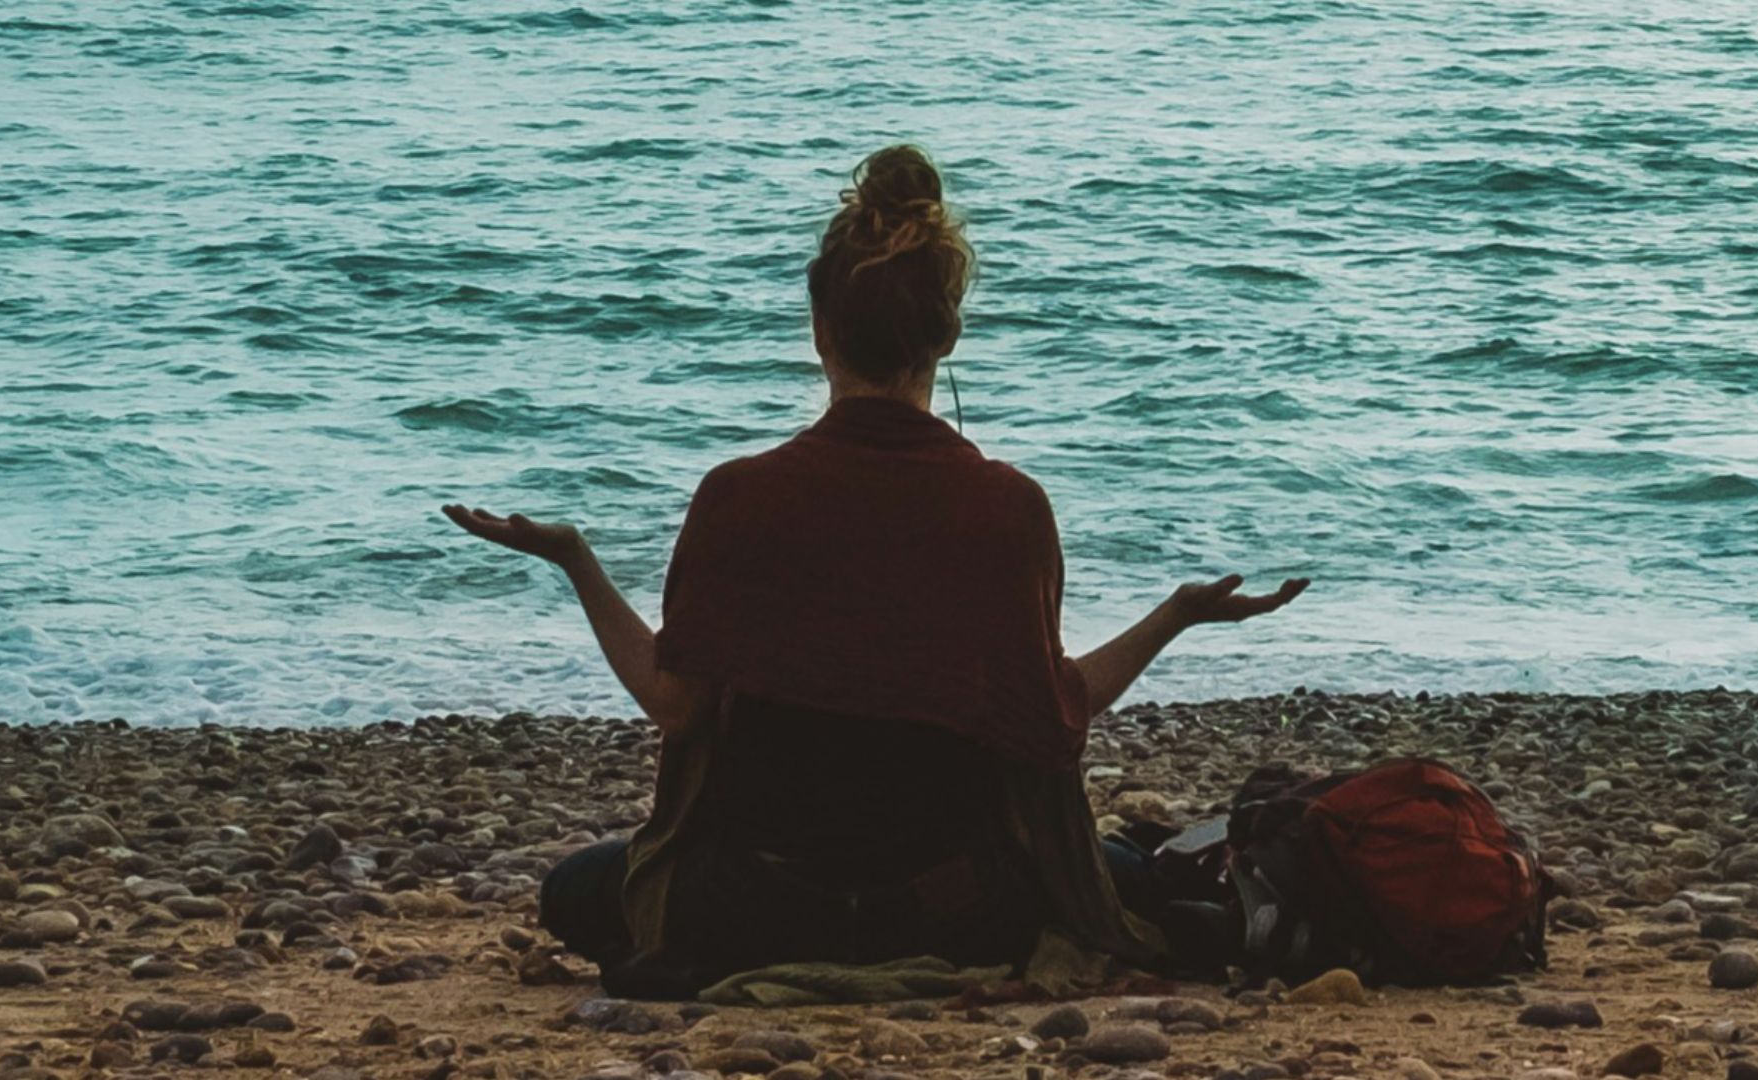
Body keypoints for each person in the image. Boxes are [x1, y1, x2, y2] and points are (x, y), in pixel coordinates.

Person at [443, 144, 1308, 996]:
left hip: (754, 905)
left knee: (574, 892)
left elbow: (676, 706)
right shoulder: (1009, 506)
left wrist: (577, 562)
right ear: (948, 333)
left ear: (819, 329)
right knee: (1124, 866)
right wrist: (1174, 616)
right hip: (960, 912)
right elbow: (1055, 722)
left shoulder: (740, 497)